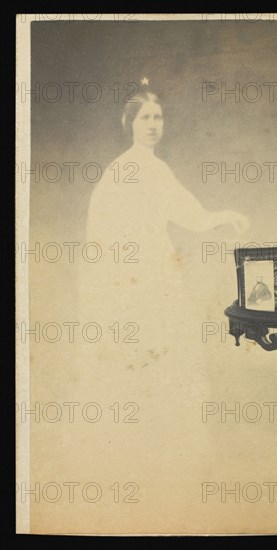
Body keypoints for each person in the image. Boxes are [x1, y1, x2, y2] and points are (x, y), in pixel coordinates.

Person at [77, 81, 250, 518]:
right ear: (128, 124)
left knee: (171, 367)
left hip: (157, 279)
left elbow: (187, 212)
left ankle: (168, 482)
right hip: (132, 284)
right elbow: (103, 236)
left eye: (158, 117)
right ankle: (135, 479)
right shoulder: (125, 169)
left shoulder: (155, 167)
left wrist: (223, 217)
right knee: (140, 365)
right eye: (144, 118)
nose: (153, 125)